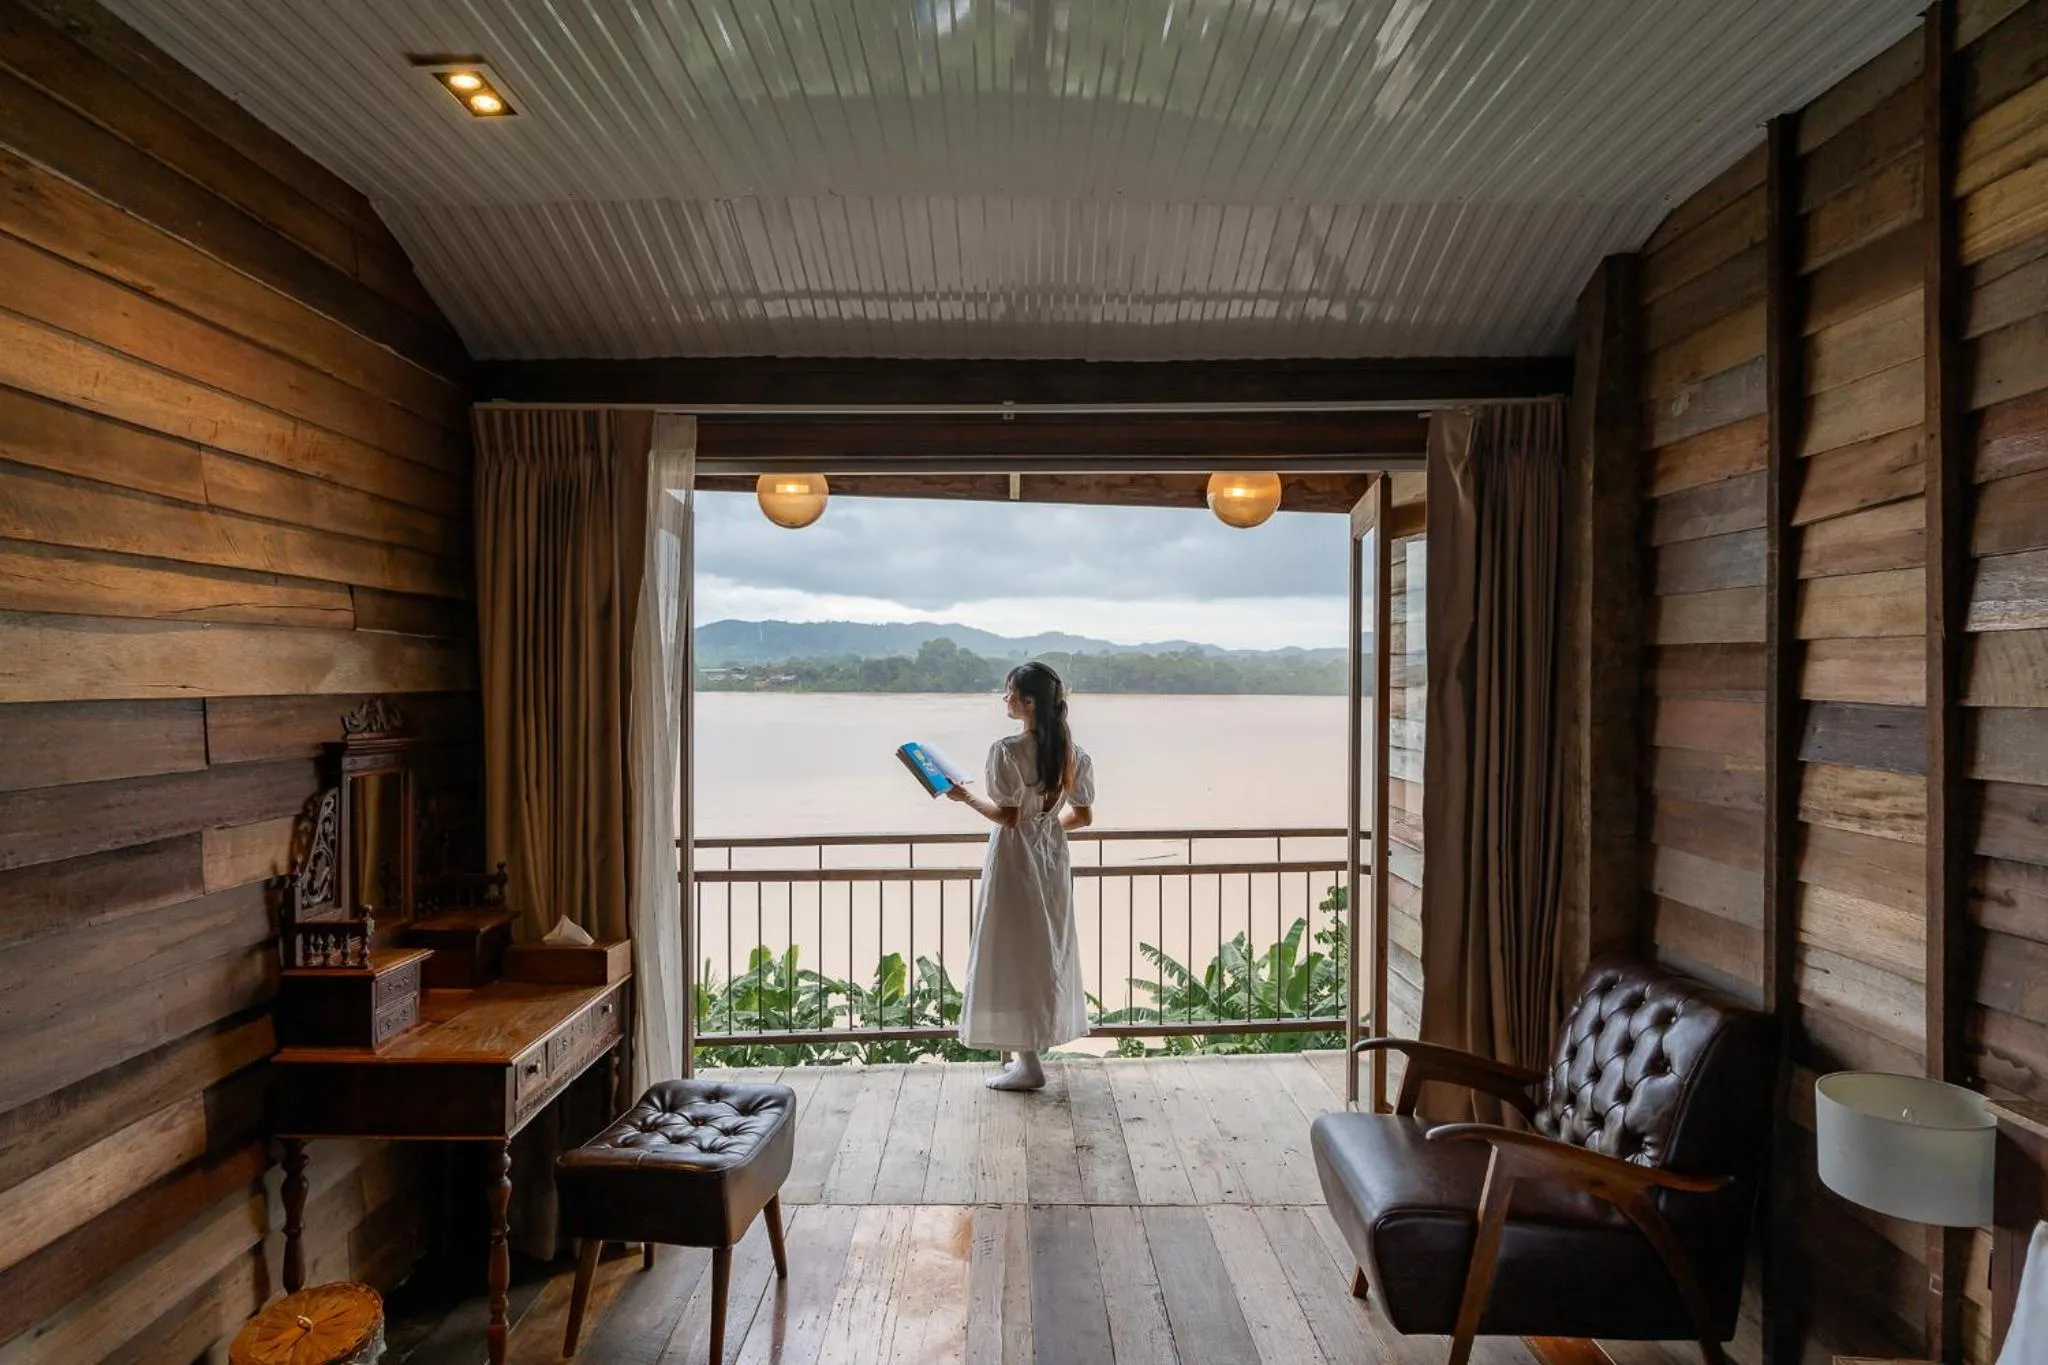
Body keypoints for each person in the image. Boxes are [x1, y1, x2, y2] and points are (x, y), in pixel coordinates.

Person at [946, 661, 1096, 1091]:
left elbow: (1008, 817)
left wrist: (964, 798)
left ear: (1028, 702)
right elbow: (1082, 816)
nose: (1005, 698)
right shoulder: (1074, 753)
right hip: (1051, 858)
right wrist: (1044, 829)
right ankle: (1026, 1055)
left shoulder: (1008, 751)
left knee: (1011, 948)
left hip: (1015, 859)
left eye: (1009, 692)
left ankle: (1026, 1063)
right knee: (1045, 948)